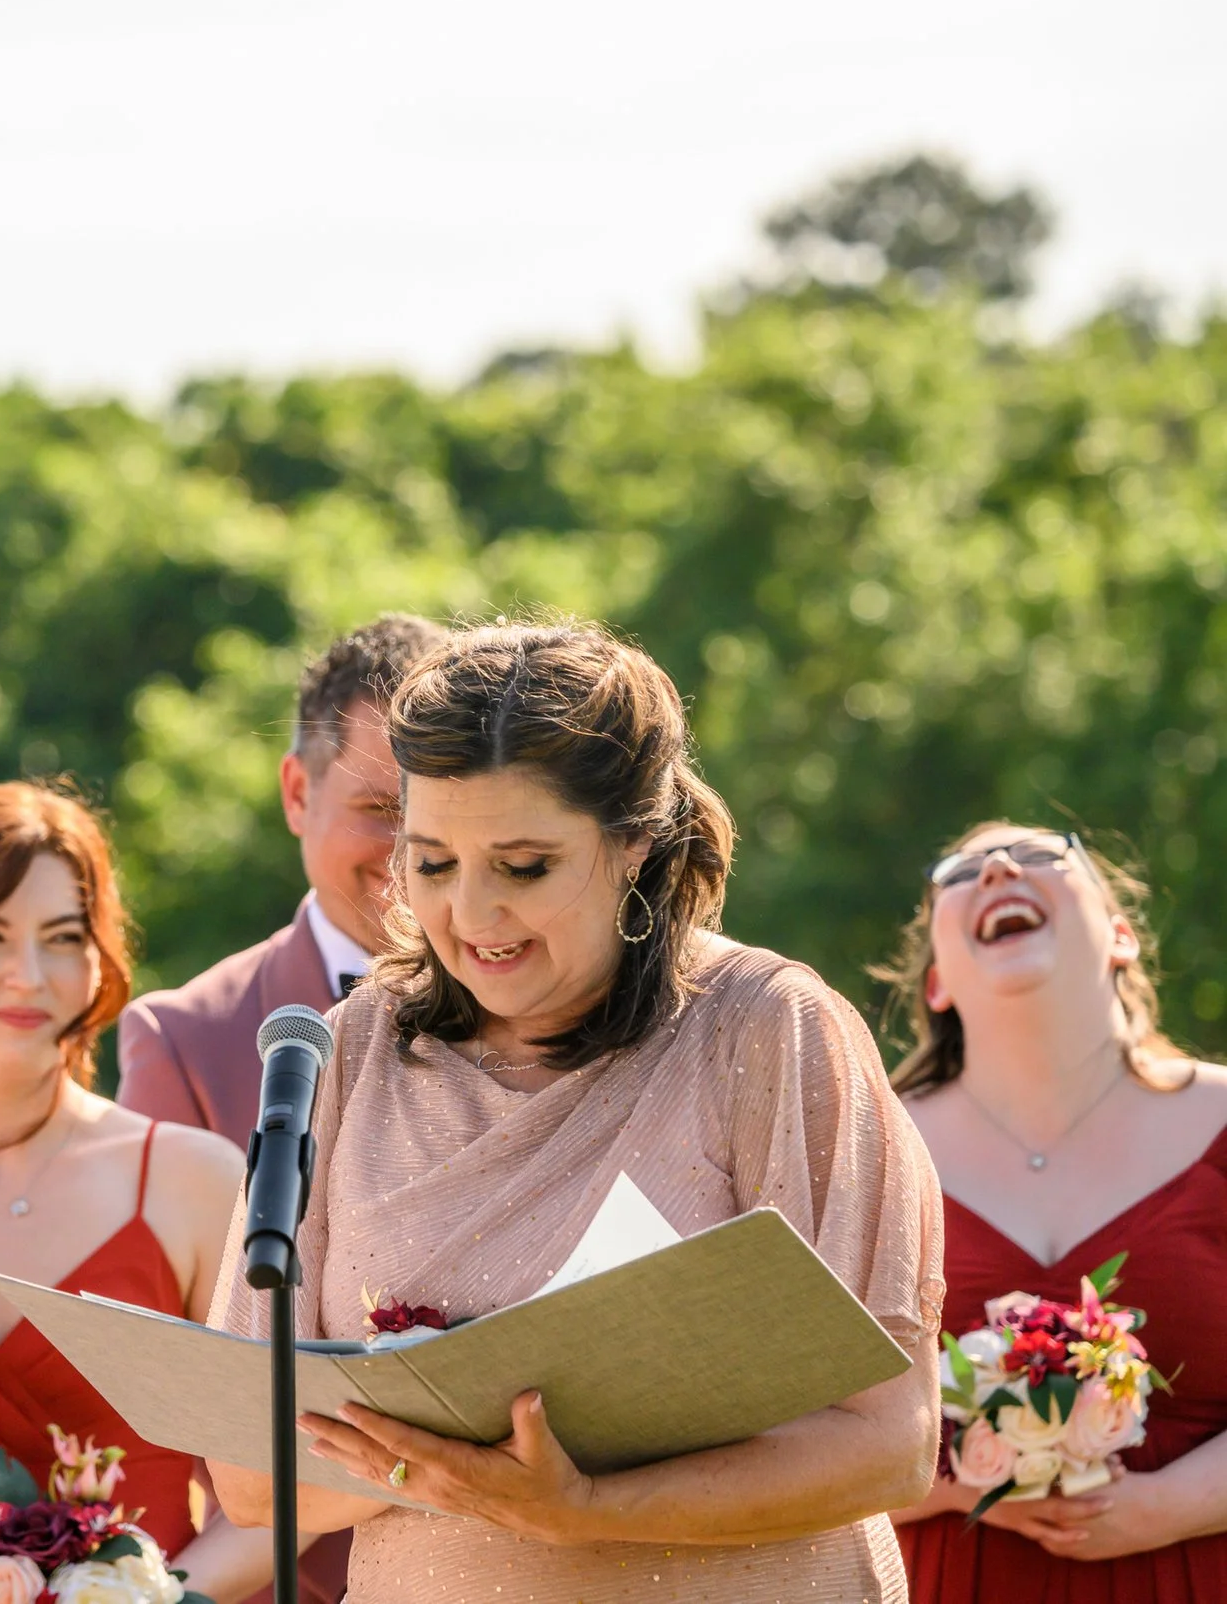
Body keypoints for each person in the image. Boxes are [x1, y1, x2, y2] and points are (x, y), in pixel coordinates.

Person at [207, 620, 945, 1603]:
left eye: (522, 865)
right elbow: (252, 1477)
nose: (471, 915)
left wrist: (585, 1504)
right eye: (429, 862)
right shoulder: (343, 1053)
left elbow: (890, 1443)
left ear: (632, 842)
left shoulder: (770, 1031)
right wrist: (453, 1436)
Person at [0, 783, 274, 1599]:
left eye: (63, 937)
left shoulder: (193, 1182)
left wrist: (152, 1597)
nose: (27, 975)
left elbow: (284, 1486)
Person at [119, 612, 442, 1604]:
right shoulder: (184, 1041)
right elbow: (166, 1386)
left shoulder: (558, 1016)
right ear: (298, 792)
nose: (412, 850)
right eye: (381, 807)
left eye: (440, 812)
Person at [882, 823, 1227, 1596]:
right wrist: (957, 1484)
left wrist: (1166, 1507)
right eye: (962, 870)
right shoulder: (868, 1149)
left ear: (1121, 935)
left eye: (1043, 855)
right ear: (937, 981)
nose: (1000, 867)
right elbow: (791, 1418)